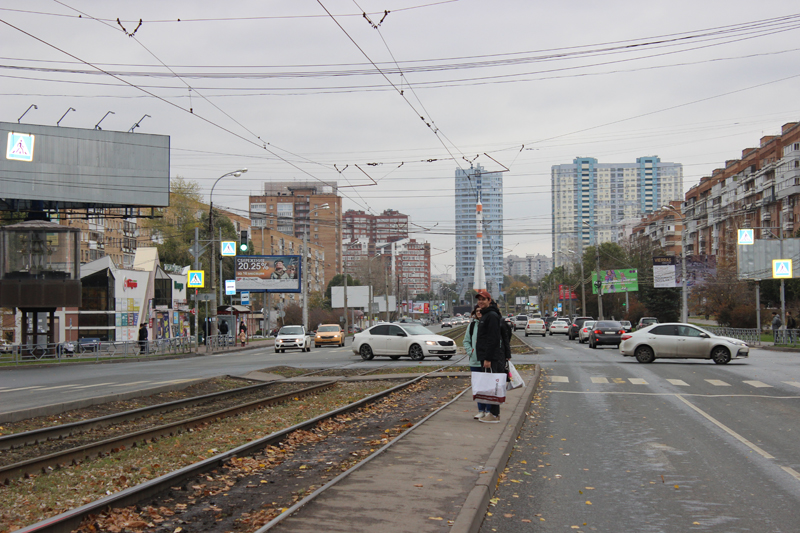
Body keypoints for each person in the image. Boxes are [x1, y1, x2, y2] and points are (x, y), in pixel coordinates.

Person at [474, 289, 507, 424]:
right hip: (485, 356)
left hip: (491, 357)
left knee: (493, 385)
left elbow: (493, 339)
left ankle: (494, 414)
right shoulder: (486, 314)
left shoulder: (491, 316)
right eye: (479, 299)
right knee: (489, 385)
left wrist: (488, 358)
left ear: (489, 300)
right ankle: (491, 413)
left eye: (483, 299)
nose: (480, 302)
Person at [463, 306, 490, 420]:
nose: (479, 313)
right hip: (475, 361)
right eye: (477, 311)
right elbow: (466, 341)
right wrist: (471, 352)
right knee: (478, 387)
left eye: (481, 311)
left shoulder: (489, 324)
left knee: (488, 387)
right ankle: (481, 410)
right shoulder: (472, 325)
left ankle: (489, 410)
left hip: (487, 361)